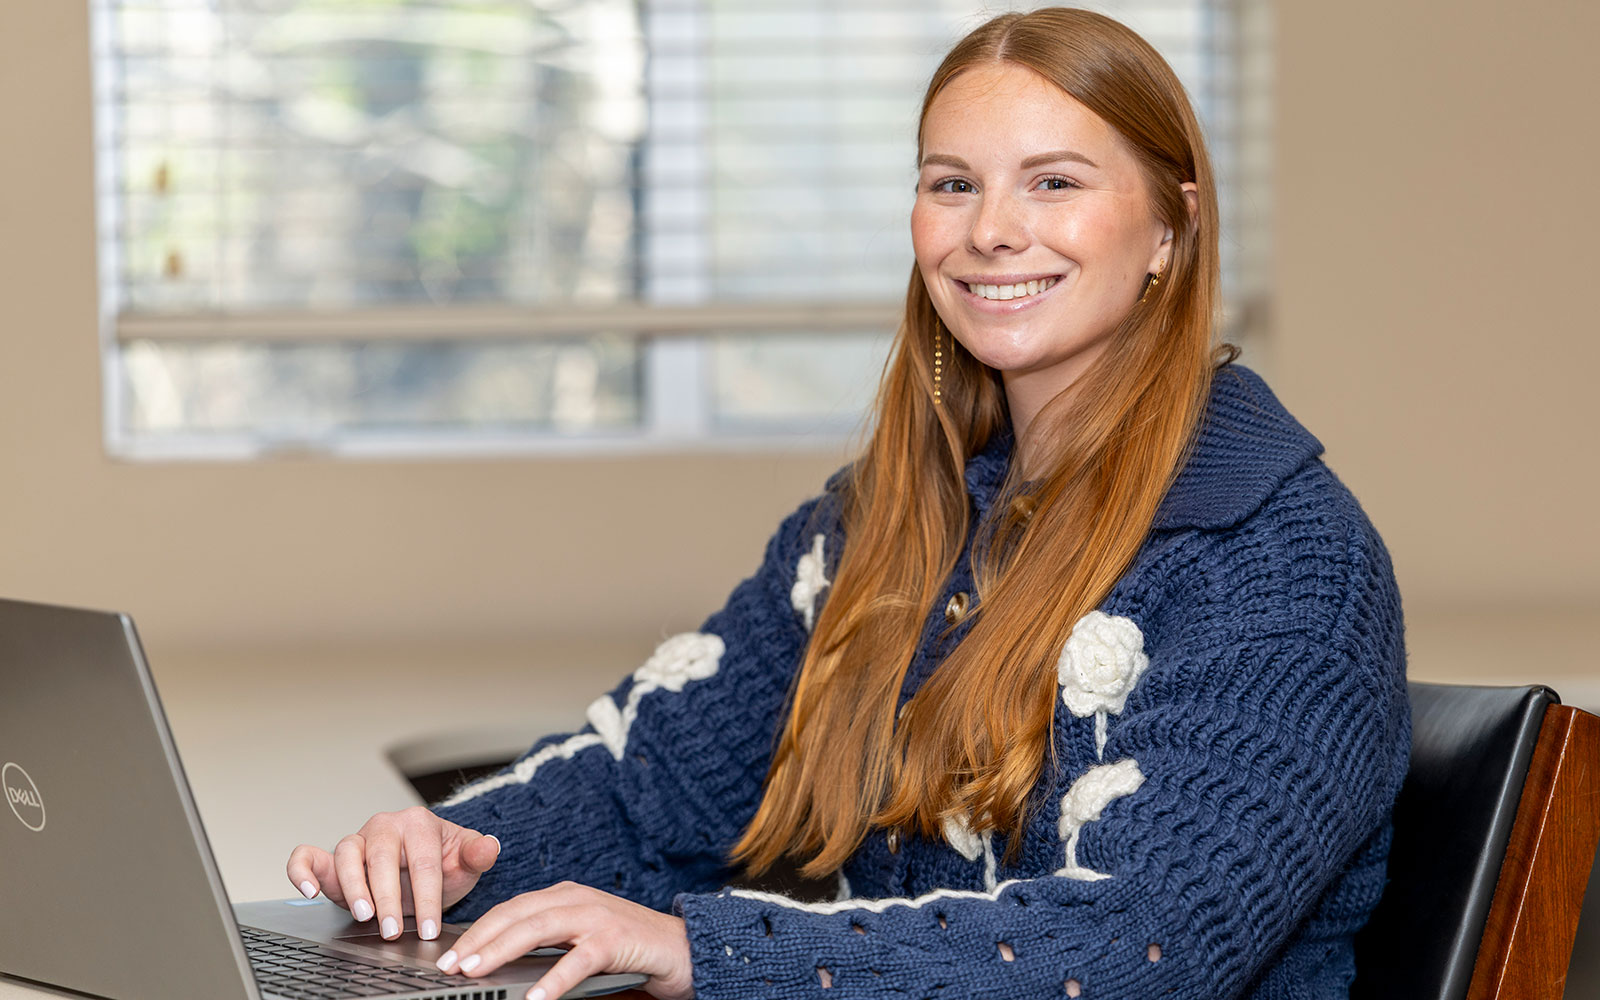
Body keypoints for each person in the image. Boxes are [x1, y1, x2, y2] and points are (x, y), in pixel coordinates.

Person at [287, 9, 1410, 999]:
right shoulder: (882, 520)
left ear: (1171, 225)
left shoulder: (1280, 558)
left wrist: (705, 952)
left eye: (1055, 181)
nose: (990, 230)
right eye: (951, 182)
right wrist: (453, 851)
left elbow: (1134, 948)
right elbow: (646, 788)